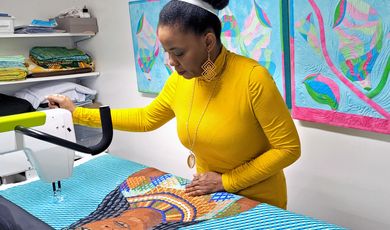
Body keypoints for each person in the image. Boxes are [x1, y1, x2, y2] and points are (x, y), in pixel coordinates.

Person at [47, 0, 300, 209]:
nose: (170, 62)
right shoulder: (181, 81)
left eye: (178, 53)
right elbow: (146, 119)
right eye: (166, 52)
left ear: (208, 42)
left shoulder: (252, 79)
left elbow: (288, 149)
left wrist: (227, 181)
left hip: (259, 200)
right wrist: (78, 113)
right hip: (210, 193)